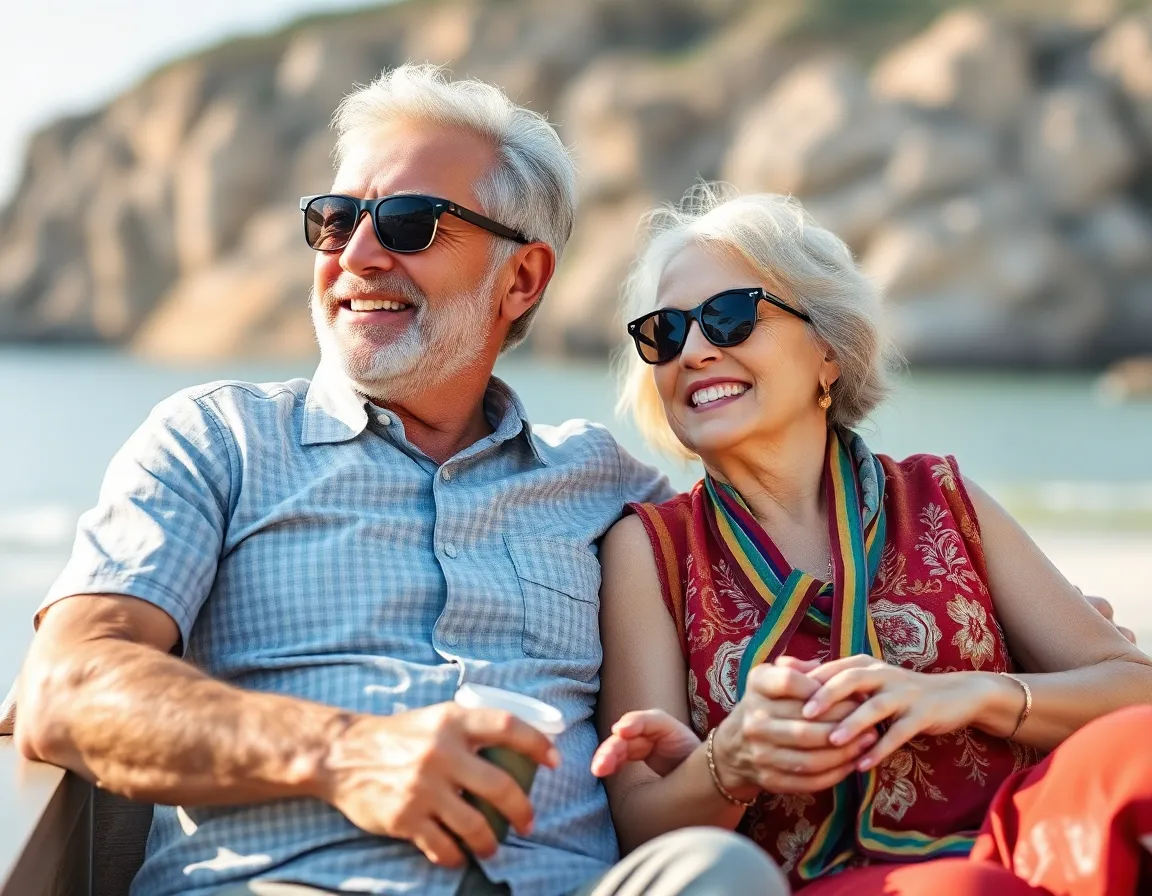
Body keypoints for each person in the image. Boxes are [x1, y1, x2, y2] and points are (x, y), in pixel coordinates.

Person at [12, 68, 781, 896]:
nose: (358, 256)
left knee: (719, 874)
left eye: (410, 224)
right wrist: (347, 752)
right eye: (335, 221)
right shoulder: (215, 441)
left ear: (521, 280)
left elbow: (800, 549)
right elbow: (69, 684)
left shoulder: (605, 486)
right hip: (294, 886)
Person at [590, 183, 1152, 895]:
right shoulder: (653, 551)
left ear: (828, 349)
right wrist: (728, 764)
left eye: (728, 318)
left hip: (1020, 831)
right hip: (832, 877)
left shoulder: (943, 497)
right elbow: (640, 826)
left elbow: (1135, 687)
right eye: (664, 333)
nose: (694, 349)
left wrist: (969, 695)